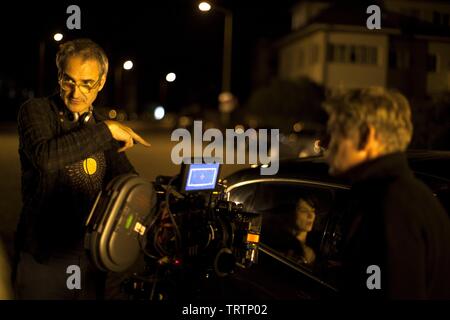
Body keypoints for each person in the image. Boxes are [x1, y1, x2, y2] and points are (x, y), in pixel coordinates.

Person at [14, 38, 151, 299]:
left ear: (100, 83)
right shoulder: (35, 111)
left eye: (87, 83)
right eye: (69, 81)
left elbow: (127, 179)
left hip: (91, 255)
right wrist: (107, 129)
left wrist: (159, 197)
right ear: (59, 77)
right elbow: (46, 158)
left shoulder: (99, 127)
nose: (76, 93)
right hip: (44, 257)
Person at [323, 87, 450, 299]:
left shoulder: (390, 206)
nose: (328, 144)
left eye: (337, 132)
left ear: (366, 136)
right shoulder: (403, 196)